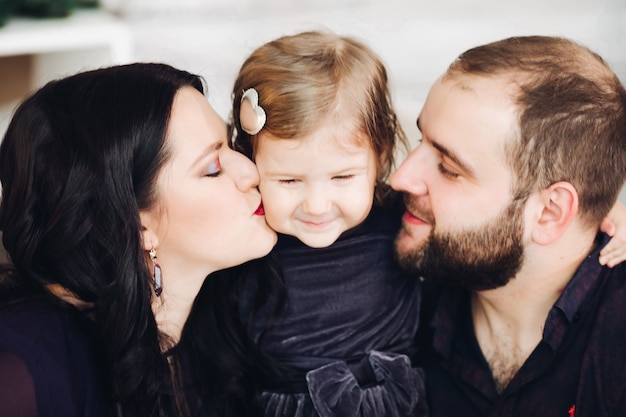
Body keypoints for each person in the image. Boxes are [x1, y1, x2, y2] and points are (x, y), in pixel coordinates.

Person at [0, 63, 277, 417]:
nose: (252, 171)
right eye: (213, 168)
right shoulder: (25, 371)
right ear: (136, 225)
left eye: (233, 146)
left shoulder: (223, 320)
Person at [390, 35, 626, 416]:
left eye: (449, 169)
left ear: (550, 212)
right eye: (420, 141)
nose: (401, 178)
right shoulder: (397, 283)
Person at [229, 30, 428, 417]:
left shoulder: (401, 220)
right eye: (288, 180)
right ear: (249, 161)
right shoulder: (246, 240)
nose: (317, 206)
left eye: (342, 178)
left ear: (381, 156)